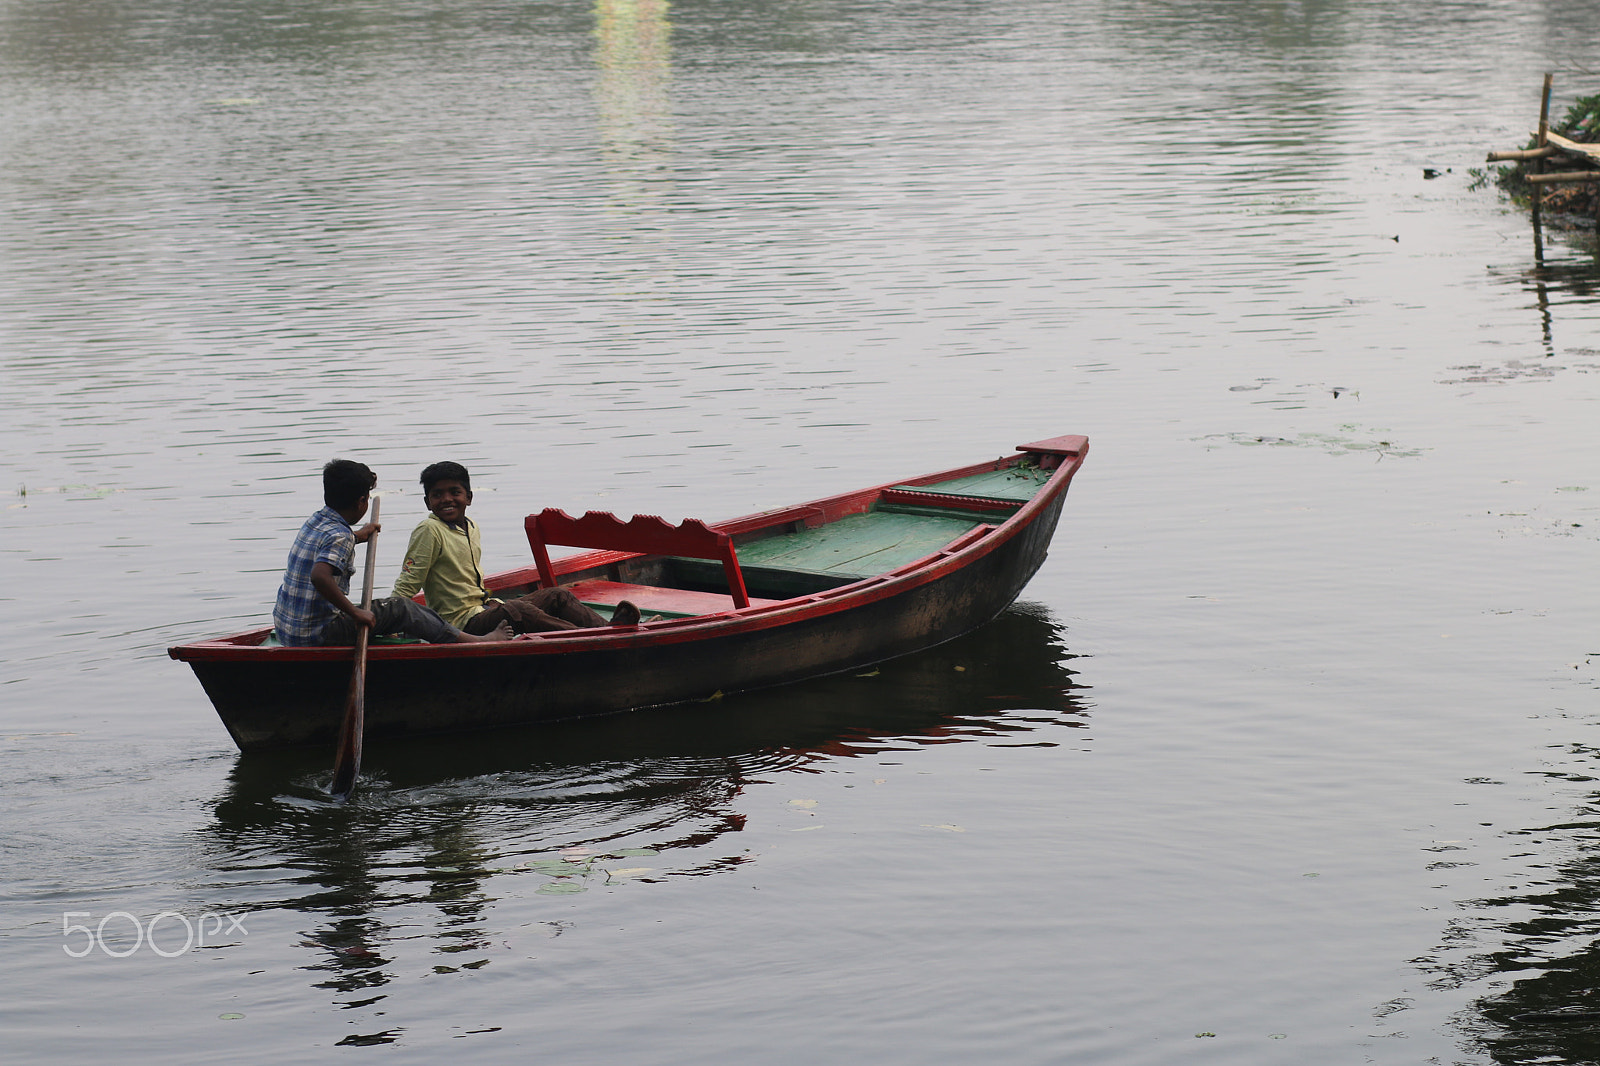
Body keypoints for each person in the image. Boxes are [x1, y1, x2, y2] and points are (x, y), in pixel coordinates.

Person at [272, 459, 512, 647]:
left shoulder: (317, 521)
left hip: (288, 630)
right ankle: (475, 640)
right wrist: (355, 612)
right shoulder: (340, 536)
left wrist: (357, 536)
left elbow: (327, 548)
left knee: (390, 608)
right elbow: (320, 576)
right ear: (361, 502)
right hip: (319, 634)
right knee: (400, 608)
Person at [391, 461, 641, 634]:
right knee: (517, 610)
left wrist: (490, 605)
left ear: (469, 497)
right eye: (437, 495)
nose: (446, 499)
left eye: (454, 492)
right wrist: (388, 621)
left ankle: (608, 630)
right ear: (427, 502)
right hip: (460, 624)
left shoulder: (471, 526)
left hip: (482, 609)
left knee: (556, 594)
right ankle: (593, 638)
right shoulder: (429, 530)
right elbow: (408, 583)